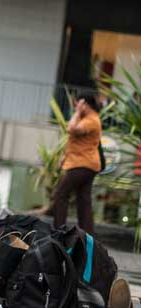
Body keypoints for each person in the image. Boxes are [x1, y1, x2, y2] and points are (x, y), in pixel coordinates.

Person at [52, 93, 102, 234]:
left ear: (85, 104)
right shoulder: (88, 119)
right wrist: (65, 156)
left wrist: (77, 112)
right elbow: (76, 141)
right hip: (84, 164)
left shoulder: (91, 120)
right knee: (83, 200)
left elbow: (71, 129)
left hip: (83, 165)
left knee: (61, 194)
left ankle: (59, 231)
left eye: (78, 104)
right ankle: (87, 235)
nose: (75, 106)